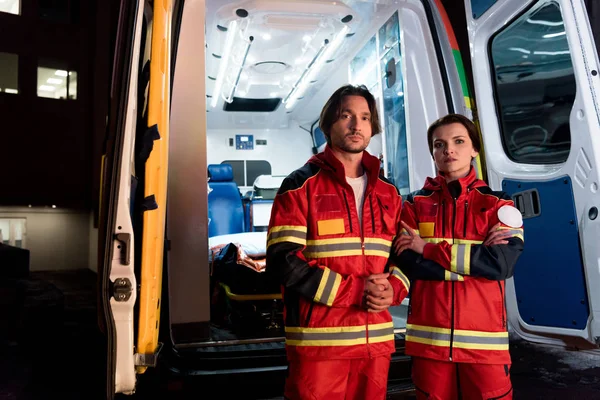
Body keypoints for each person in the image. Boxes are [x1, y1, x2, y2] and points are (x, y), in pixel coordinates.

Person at [266, 84, 410, 400]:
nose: (356, 126)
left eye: (364, 118)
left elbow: (406, 255)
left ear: (372, 127)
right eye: (346, 116)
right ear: (329, 124)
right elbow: (283, 260)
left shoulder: (390, 192)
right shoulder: (299, 185)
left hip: (375, 345)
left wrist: (393, 290)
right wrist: (356, 291)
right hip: (320, 347)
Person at [394, 114, 524, 399]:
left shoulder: (500, 206)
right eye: (439, 145)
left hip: (485, 347)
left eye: (458, 141)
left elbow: (500, 264)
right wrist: (474, 263)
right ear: (433, 153)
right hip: (430, 344)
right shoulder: (413, 204)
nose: (448, 150)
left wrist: (427, 249)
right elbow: (407, 262)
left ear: (474, 149)